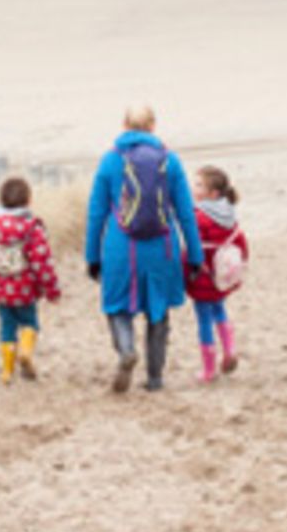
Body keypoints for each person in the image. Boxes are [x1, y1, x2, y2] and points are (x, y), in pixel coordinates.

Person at [85, 105, 203, 393]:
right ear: (153, 126)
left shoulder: (110, 160)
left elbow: (96, 214)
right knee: (158, 311)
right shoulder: (170, 161)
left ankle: (127, 350)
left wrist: (92, 256)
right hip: (162, 247)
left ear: (124, 124)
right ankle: (155, 378)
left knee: (117, 306)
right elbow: (186, 213)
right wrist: (195, 255)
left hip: (121, 248)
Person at [0, 176, 61, 384]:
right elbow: (42, 261)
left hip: (0, 289)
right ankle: (25, 352)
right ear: (29, 201)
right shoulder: (32, 228)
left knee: (6, 327)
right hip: (26, 289)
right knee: (29, 322)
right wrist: (52, 290)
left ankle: (7, 371)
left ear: (1, 200)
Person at [186, 165, 249, 382]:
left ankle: (209, 369)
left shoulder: (199, 216)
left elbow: (193, 248)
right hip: (223, 276)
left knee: (204, 320)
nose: (193, 187)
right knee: (220, 310)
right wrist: (242, 263)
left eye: (198, 185)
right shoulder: (229, 213)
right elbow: (240, 241)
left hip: (204, 277)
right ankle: (229, 349)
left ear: (212, 194)